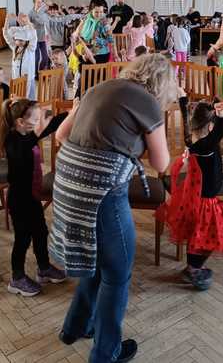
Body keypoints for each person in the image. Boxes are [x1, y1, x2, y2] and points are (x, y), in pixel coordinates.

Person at [51, 54, 176, 363]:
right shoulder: (148, 102)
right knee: (117, 274)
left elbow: (61, 135)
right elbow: (161, 163)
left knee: (96, 259)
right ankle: (106, 353)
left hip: (67, 181)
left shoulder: (100, 87)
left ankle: (75, 326)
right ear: (163, 84)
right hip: (103, 191)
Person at [156, 94, 223, 290]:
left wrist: (184, 103)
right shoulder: (205, 146)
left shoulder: (193, 142)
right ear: (210, 127)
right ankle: (194, 269)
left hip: (199, 198)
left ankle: (192, 267)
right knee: (204, 237)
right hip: (205, 201)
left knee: (198, 236)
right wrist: (222, 117)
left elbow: (188, 127)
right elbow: (219, 133)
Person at [3, 99, 68, 297]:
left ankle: (44, 268)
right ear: (21, 122)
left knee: (40, 232)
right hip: (19, 200)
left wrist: (71, 112)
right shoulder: (12, 140)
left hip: (32, 196)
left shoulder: (28, 134)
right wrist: (41, 129)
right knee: (22, 239)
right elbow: (27, 145)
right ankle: (17, 278)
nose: (40, 121)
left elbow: (50, 126)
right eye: (36, 118)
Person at [3, 13, 38, 100]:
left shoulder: (30, 48)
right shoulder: (14, 47)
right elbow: (6, 35)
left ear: (26, 41)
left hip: (28, 78)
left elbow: (34, 36)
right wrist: (7, 20)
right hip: (16, 78)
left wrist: (28, 22)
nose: (20, 42)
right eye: (18, 40)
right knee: (17, 96)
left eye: (22, 40)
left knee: (27, 98)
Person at [72, 0, 113, 64]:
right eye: (96, 12)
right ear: (91, 11)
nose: (99, 14)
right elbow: (76, 34)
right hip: (87, 51)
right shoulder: (87, 18)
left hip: (101, 54)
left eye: (101, 12)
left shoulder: (104, 22)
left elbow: (110, 38)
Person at [28, 0, 50, 73]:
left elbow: (45, 20)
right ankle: (35, 74)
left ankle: (40, 72)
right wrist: (31, 24)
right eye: (38, 2)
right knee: (36, 58)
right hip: (34, 39)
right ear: (34, 3)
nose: (40, 4)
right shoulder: (31, 13)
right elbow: (28, 24)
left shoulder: (43, 12)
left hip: (42, 38)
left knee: (45, 57)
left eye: (41, 2)